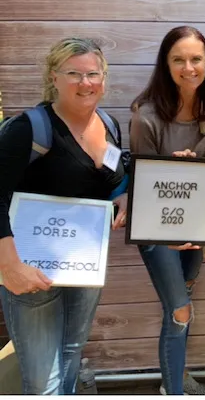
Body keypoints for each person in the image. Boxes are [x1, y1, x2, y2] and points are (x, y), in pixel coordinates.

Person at [0, 37, 128, 394]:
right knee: (44, 379)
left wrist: (124, 196)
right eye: (74, 73)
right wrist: (9, 265)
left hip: (83, 268)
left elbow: (113, 175)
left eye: (93, 73)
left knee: (71, 356)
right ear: (53, 77)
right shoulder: (28, 129)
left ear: (104, 77)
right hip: (30, 271)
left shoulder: (109, 125)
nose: (85, 82)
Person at [128, 26, 205, 395]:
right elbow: (141, 184)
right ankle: (174, 391)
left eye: (196, 58)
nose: (189, 67)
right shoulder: (147, 116)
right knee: (179, 309)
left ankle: (178, 376)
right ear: (165, 64)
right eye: (178, 59)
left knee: (184, 301)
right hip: (158, 232)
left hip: (197, 228)